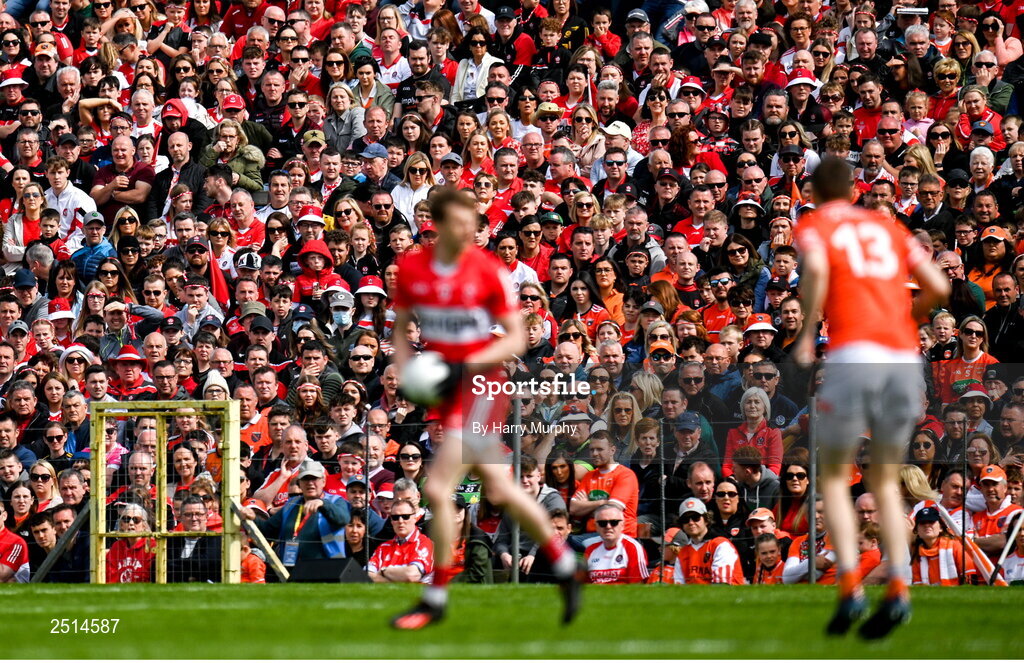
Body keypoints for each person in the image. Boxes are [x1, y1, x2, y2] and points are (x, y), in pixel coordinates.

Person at [388, 188, 579, 629]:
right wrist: (406, 371)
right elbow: (401, 329)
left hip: (481, 383)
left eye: (469, 223)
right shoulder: (413, 268)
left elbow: (514, 338)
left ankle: (434, 598)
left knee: (437, 490)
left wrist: (465, 363)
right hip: (446, 386)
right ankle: (566, 567)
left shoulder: (487, 271)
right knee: (501, 488)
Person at [792, 156, 950, 638]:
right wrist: (911, 319)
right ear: (855, 190)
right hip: (903, 359)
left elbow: (817, 267)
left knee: (839, 478)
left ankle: (850, 592)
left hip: (854, 353)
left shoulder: (817, 222)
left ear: (815, 193)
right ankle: (899, 590)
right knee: (885, 478)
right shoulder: (888, 227)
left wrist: (805, 333)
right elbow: (939, 286)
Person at [583, 503, 648, 584]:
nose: (608, 526)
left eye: (614, 522)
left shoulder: (633, 547)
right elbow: (585, 585)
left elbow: (638, 585)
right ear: (596, 526)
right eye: (602, 523)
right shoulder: (590, 550)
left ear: (623, 525)